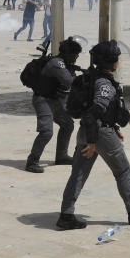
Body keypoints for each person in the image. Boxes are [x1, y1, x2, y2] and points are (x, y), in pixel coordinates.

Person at [57, 40, 130, 230]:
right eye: (117, 59)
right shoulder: (105, 83)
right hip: (99, 134)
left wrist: (114, 127)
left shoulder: (92, 77)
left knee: (78, 175)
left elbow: (100, 111)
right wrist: (93, 142)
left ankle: (66, 214)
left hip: (87, 131)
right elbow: (93, 113)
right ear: (112, 62)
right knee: (123, 171)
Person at [27, 37, 81, 173]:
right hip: (42, 100)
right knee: (46, 132)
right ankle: (32, 161)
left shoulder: (65, 63)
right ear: (68, 54)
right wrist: (84, 79)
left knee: (67, 125)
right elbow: (69, 82)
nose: (77, 57)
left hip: (54, 100)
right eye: (75, 54)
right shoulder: (57, 64)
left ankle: (61, 156)